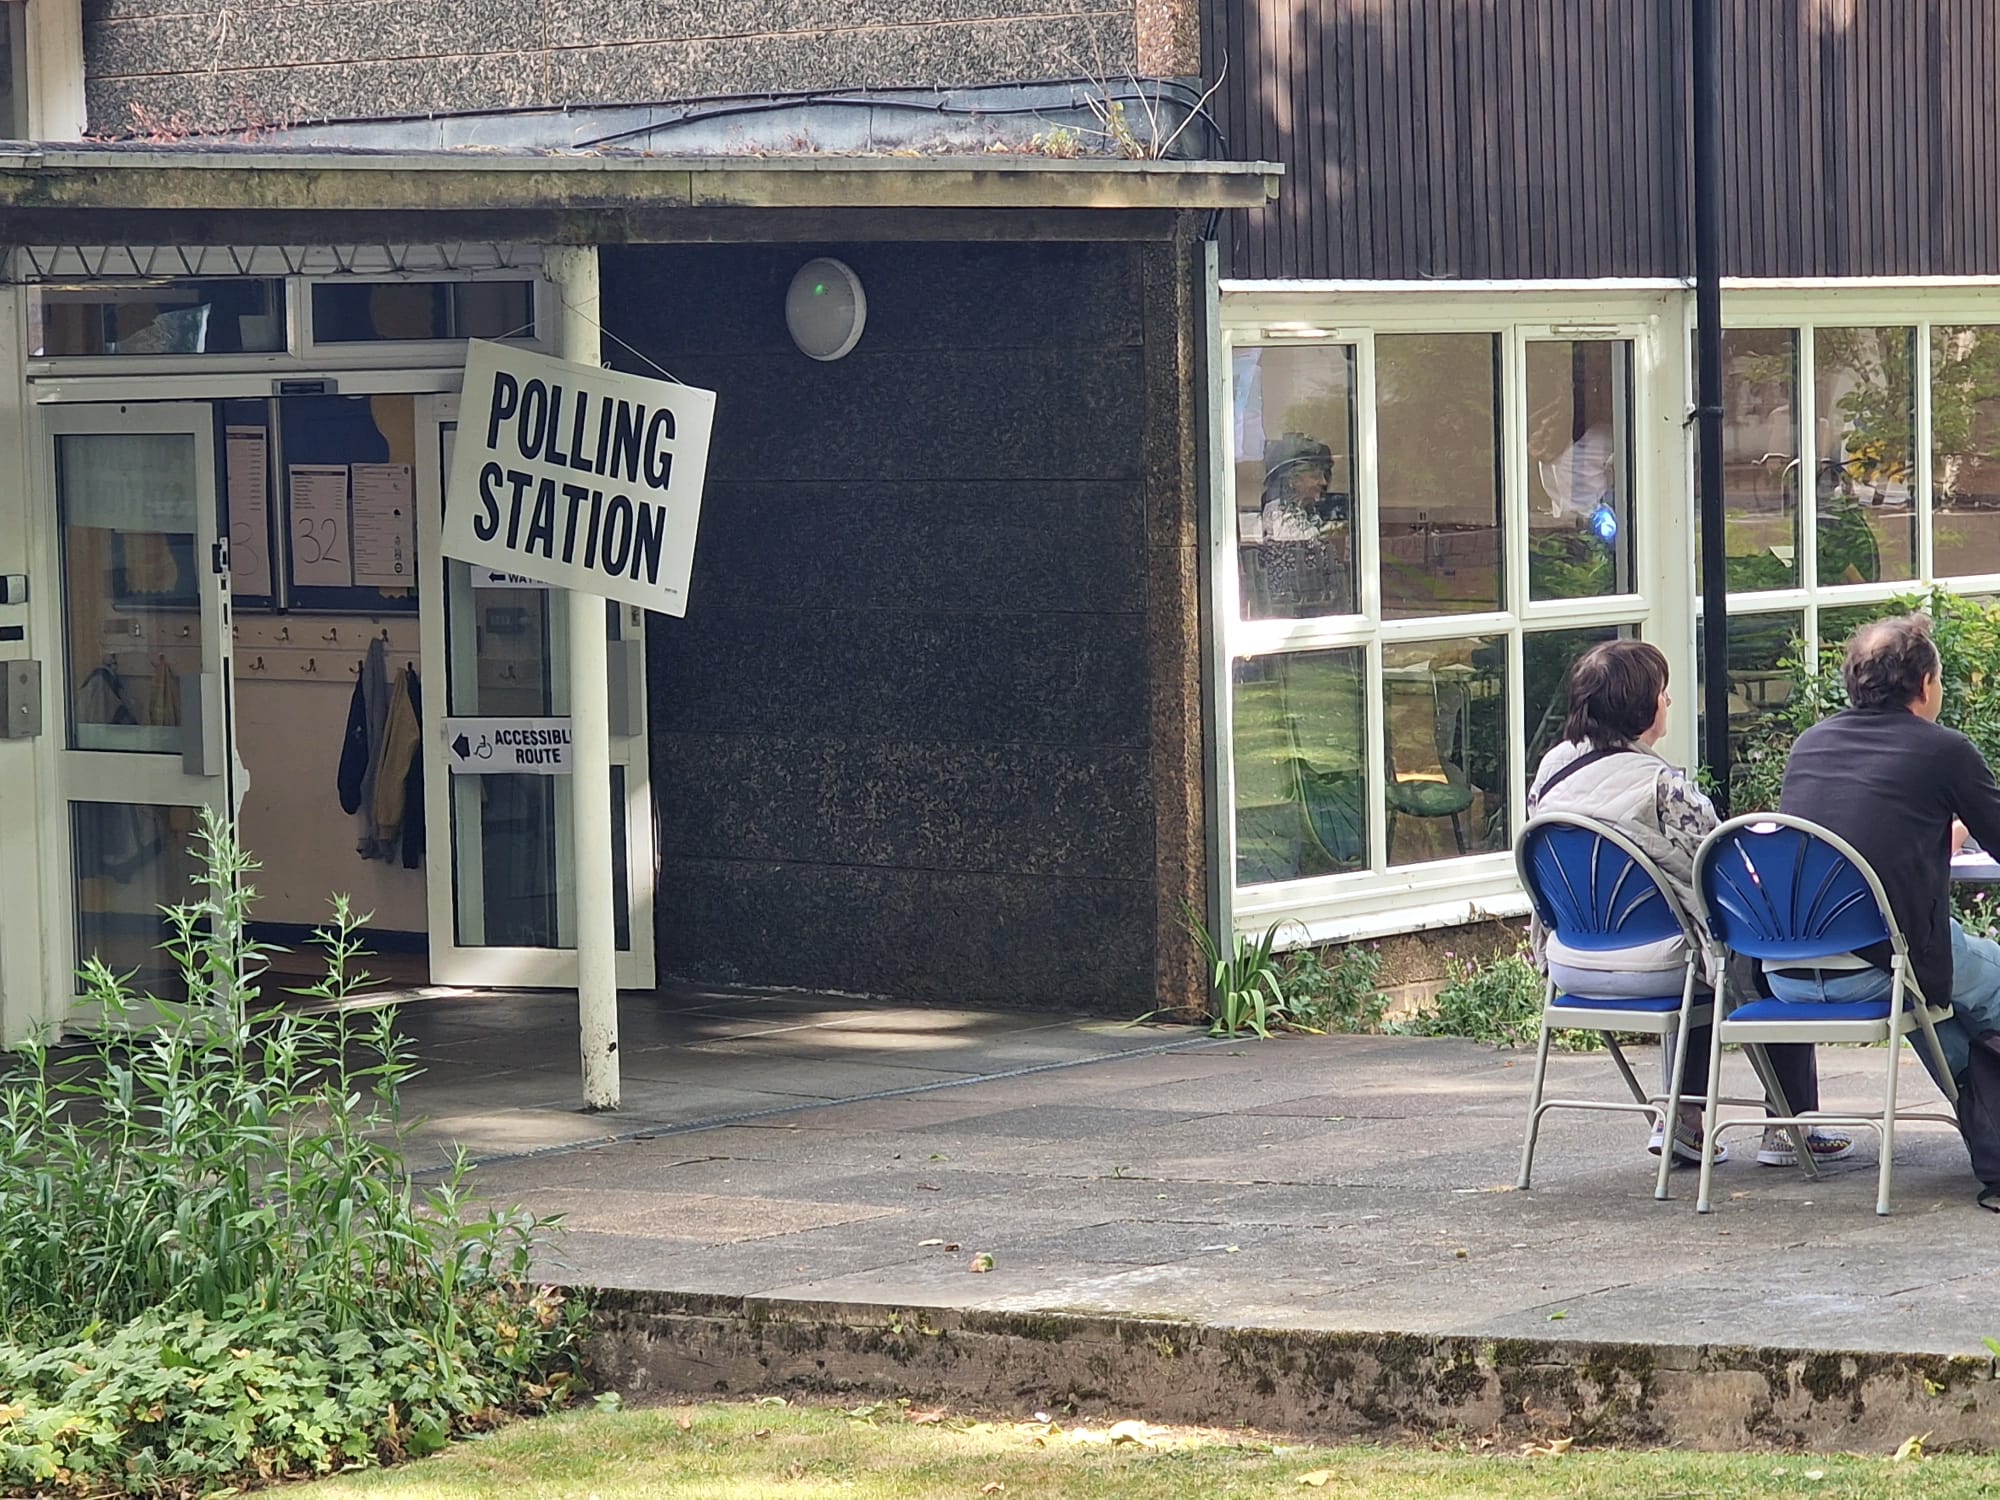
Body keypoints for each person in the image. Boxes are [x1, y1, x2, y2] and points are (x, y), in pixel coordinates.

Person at [1528, 640, 1850, 1167]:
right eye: (1662, 691)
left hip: (1572, 961)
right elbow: (1721, 866)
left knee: (1698, 946)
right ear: (1642, 708)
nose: (1670, 701)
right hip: (1661, 966)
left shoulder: (1551, 770)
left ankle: (1683, 1121)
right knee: (1757, 945)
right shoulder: (1661, 787)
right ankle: (1789, 1125)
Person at [1775, 613, 2000, 1210]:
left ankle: (1990, 1134)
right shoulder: (1942, 749)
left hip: (1784, 976)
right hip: (1883, 965)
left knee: (1942, 1007)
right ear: (1926, 684)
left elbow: (1848, 843)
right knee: (1979, 981)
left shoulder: (1810, 744)